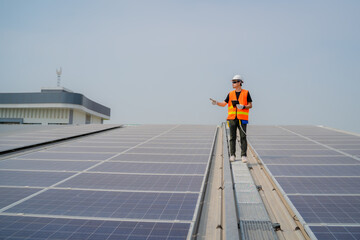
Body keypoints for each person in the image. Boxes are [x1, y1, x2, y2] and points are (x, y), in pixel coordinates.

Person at [210, 75, 253, 163]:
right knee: (232, 137)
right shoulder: (230, 94)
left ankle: (244, 155)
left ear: (240, 82)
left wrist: (243, 106)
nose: (233, 83)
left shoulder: (246, 93)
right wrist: (216, 103)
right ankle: (232, 155)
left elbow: (250, 105)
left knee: (243, 137)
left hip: (242, 119)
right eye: (232, 82)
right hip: (232, 119)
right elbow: (224, 104)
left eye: (234, 82)